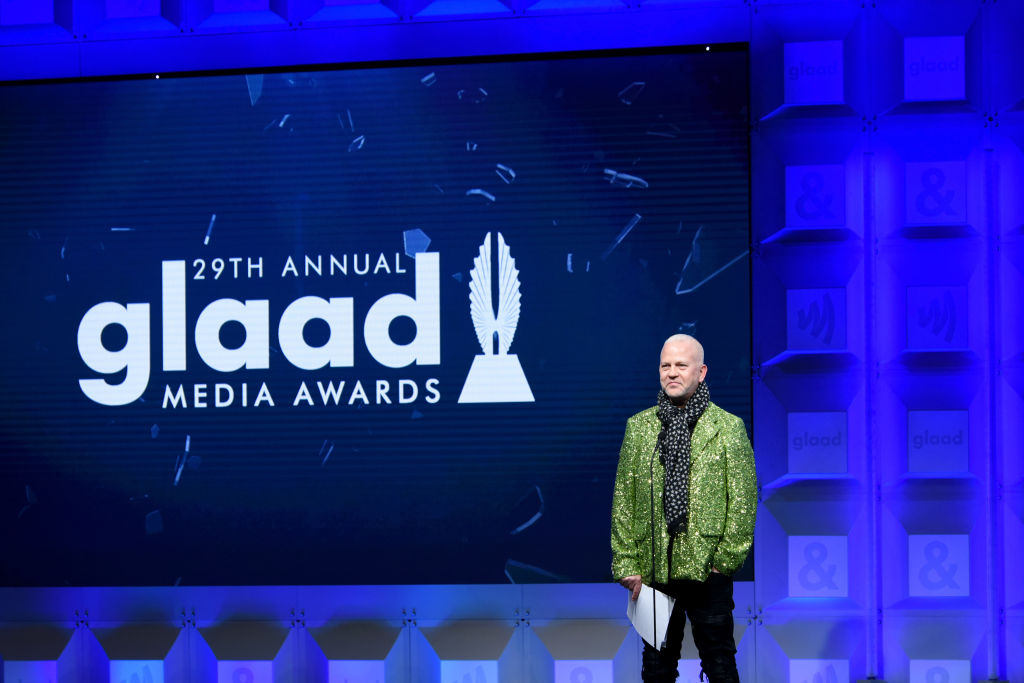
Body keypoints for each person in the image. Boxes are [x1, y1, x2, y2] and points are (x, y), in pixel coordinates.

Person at [611, 334, 757, 682]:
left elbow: (743, 500)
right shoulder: (639, 427)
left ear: (701, 372)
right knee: (656, 666)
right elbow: (623, 498)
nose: (672, 373)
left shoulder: (728, 428)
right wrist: (627, 562)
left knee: (719, 662)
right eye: (665, 365)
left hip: (708, 569)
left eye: (681, 365)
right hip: (653, 568)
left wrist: (725, 561)